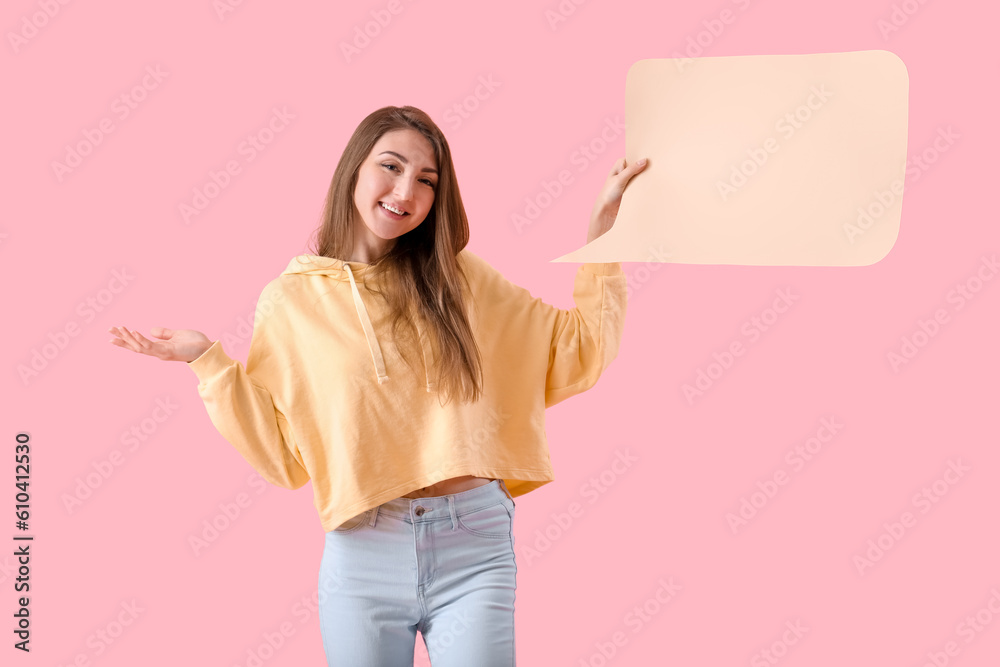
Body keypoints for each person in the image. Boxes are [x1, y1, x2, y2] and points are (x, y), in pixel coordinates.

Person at [108, 105, 646, 666]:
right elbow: (282, 457)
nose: (405, 190)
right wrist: (210, 364)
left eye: (426, 180)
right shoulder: (289, 302)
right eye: (390, 167)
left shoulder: (459, 278)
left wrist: (603, 234)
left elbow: (580, 349)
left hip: (473, 543)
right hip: (363, 551)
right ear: (354, 171)